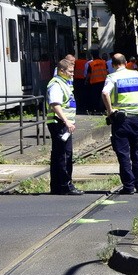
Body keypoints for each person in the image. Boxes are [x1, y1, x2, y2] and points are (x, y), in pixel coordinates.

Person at [101, 53, 138, 195]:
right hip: (136, 119)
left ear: (113, 64)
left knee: (123, 154)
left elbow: (104, 93)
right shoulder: (137, 75)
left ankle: (129, 186)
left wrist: (110, 111)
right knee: (137, 152)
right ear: (126, 62)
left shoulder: (112, 77)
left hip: (120, 120)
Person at [46, 58, 83, 195]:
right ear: (61, 70)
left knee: (59, 155)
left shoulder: (63, 82)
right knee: (64, 155)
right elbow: (55, 104)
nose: (72, 74)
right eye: (70, 71)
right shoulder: (56, 84)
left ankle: (57, 186)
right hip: (60, 124)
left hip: (61, 124)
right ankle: (65, 185)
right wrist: (67, 121)